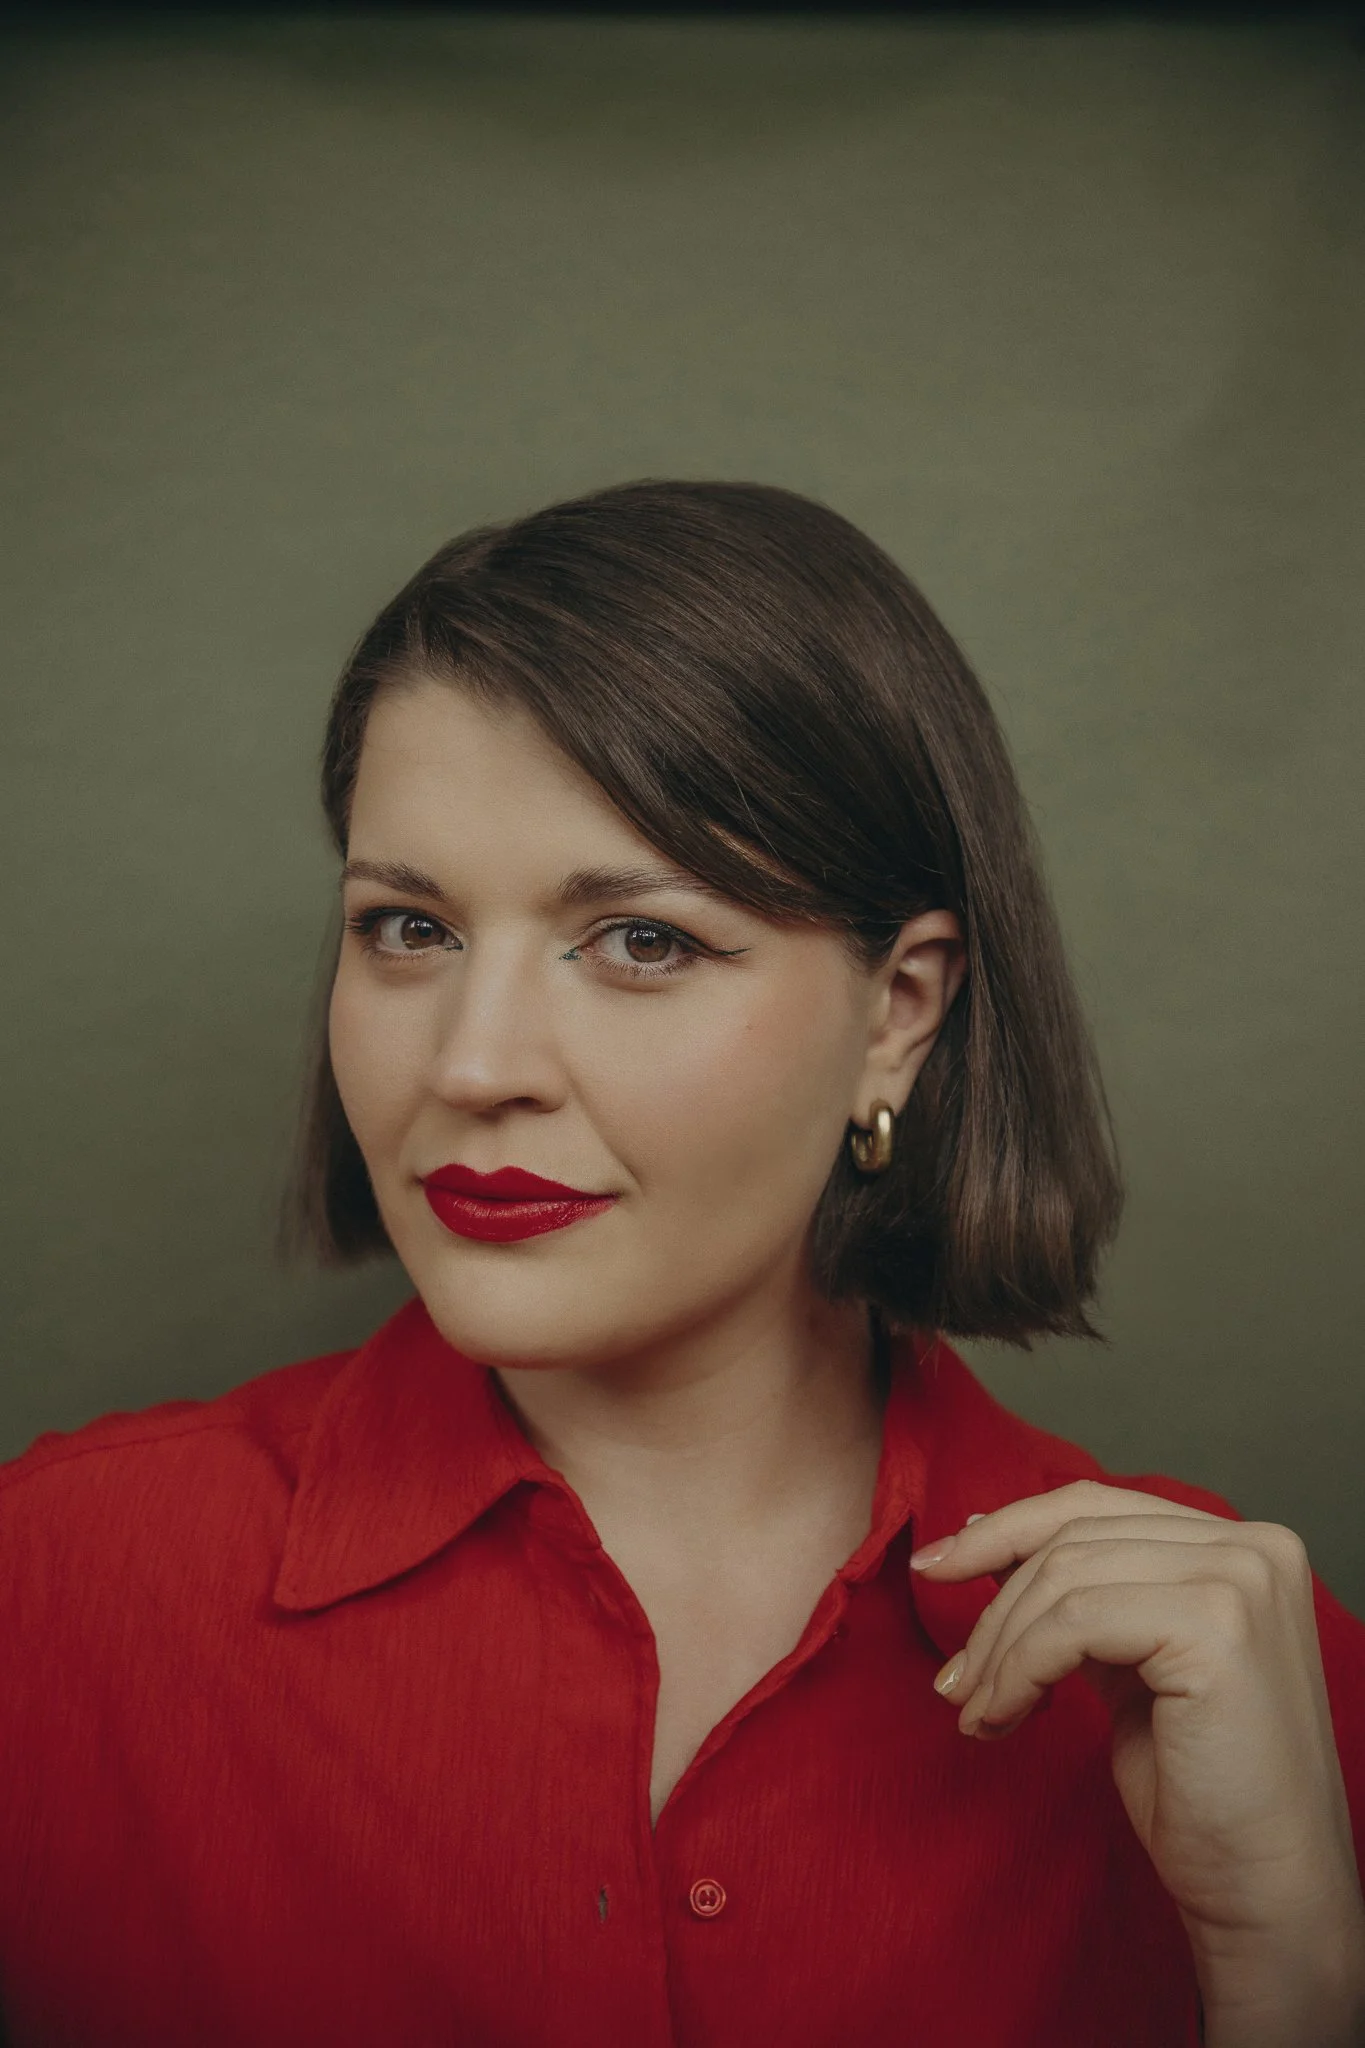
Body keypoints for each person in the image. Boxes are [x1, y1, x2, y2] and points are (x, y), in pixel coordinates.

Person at [1, 480, 1362, 2048]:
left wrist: (1298, 1977)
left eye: (641, 940)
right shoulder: (53, 1593)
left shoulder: (1251, 1674)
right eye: (409, 929)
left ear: (900, 1011)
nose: (474, 1064)